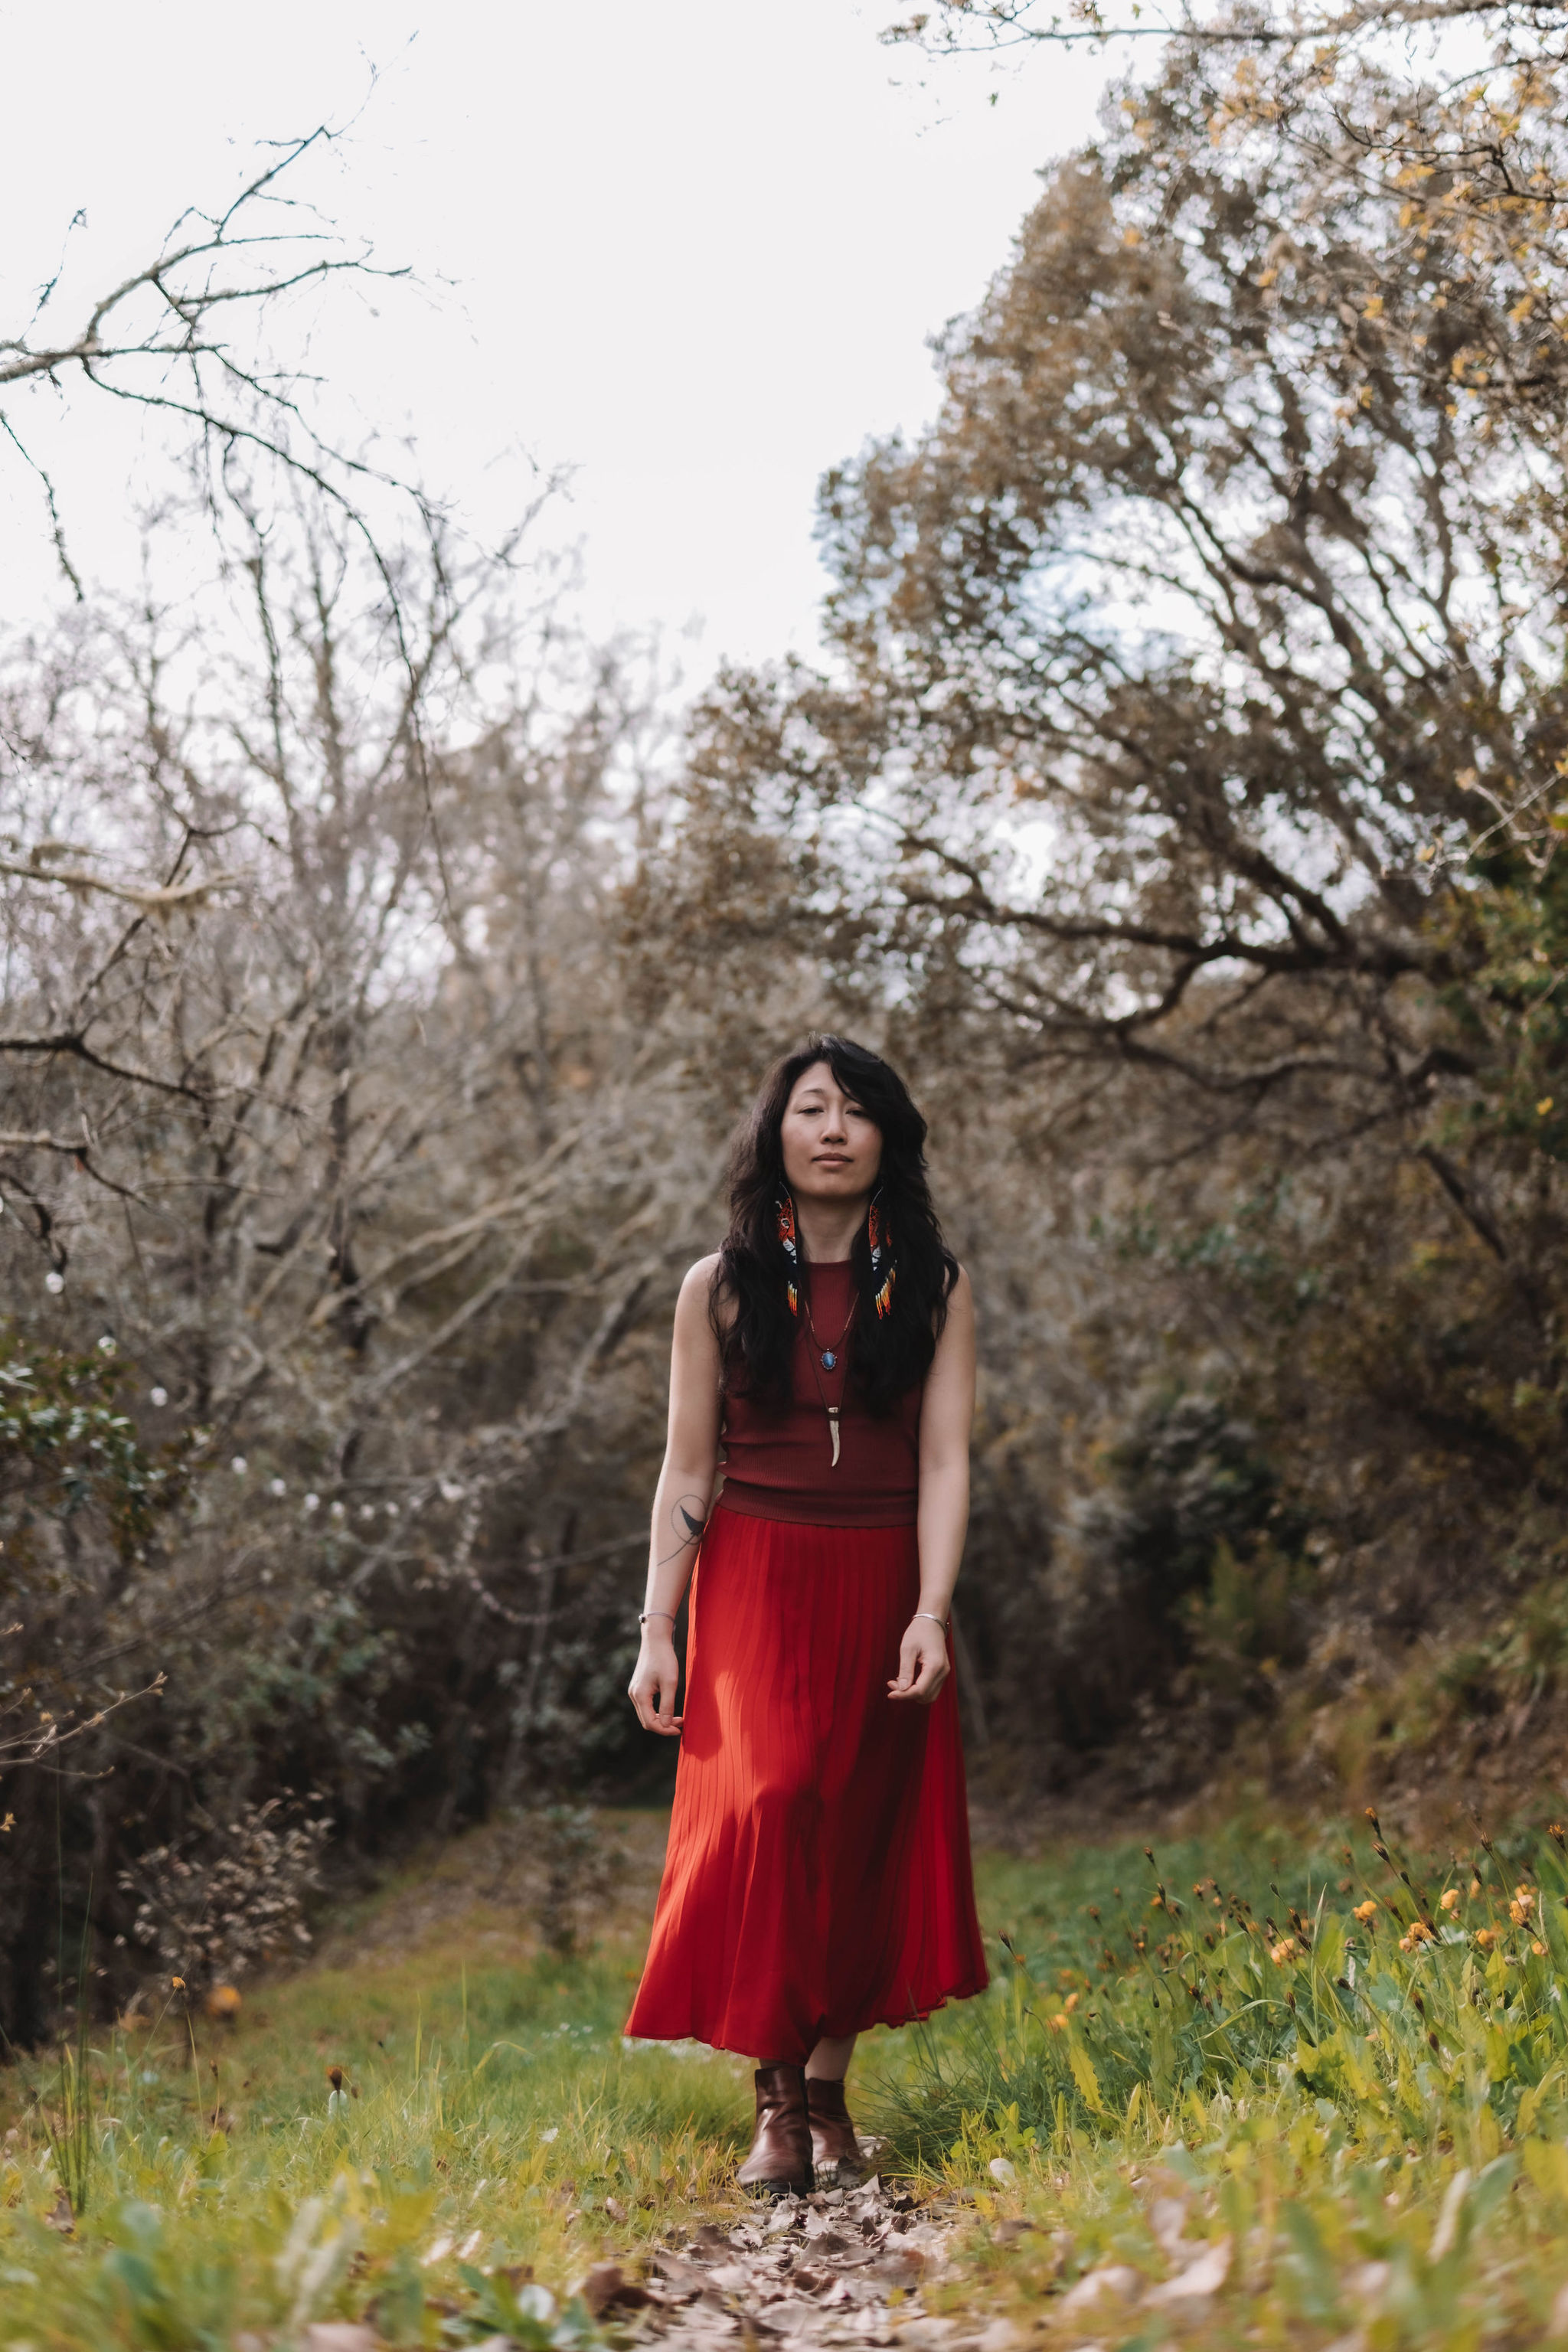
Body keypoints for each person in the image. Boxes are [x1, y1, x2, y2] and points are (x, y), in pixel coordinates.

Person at [624, 1034, 988, 2196]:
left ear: (889, 1136)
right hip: (758, 1577)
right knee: (775, 1805)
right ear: (775, 1135)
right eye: (812, 1109)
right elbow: (688, 1472)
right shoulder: (720, 1287)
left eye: (856, 1110)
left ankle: (828, 2091)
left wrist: (933, 1610)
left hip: (884, 1575)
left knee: (862, 1827)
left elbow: (943, 1462)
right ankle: (776, 2098)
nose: (833, 1128)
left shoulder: (931, 1284)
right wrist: (657, 1630)